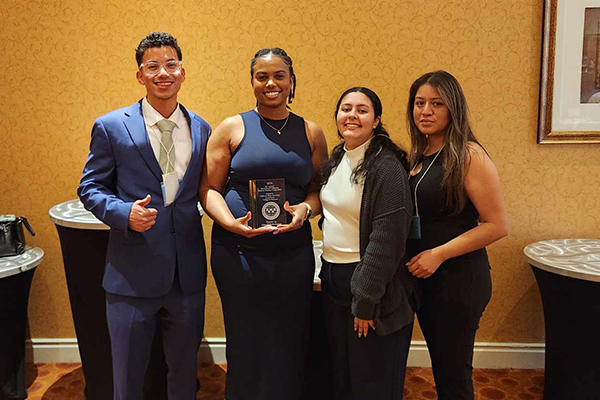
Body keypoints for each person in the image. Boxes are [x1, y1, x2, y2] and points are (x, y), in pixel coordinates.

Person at [78, 32, 210, 400]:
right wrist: (123, 213)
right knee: (128, 379)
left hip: (187, 276)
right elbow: (89, 187)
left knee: (184, 377)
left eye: (171, 65)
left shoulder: (201, 128)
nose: (162, 73)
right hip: (130, 276)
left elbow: (205, 189)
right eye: (153, 66)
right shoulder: (111, 126)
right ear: (140, 75)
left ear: (183, 72)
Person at [199, 48, 328, 400]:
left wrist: (305, 210)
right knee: (245, 337)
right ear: (252, 82)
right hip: (238, 252)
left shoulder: (311, 132)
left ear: (291, 79)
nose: (271, 83)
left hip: (292, 255)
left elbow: (318, 190)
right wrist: (230, 223)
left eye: (279, 75)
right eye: (262, 76)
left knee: (289, 337)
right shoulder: (231, 127)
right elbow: (208, 189)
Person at [405, 70, 509, 400]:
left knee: (453, 372)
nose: (425, 111)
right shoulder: (417, 158)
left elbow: (496, 225)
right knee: (442, 366)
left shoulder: (468, 155)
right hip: (425, 278)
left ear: (453, 109)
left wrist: (439, 254)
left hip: (458, 279)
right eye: (419, 103)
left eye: (437, 103)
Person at [318, 87, 419, 400]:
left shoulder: (386, 167)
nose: (352, 115)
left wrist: (365, 299)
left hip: (369, 285)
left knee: (371, 380)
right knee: (344, 375)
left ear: (377, 120)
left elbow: (386, 242)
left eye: (362, 110)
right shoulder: (337, 159)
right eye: (345, 108)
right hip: (333, 279)